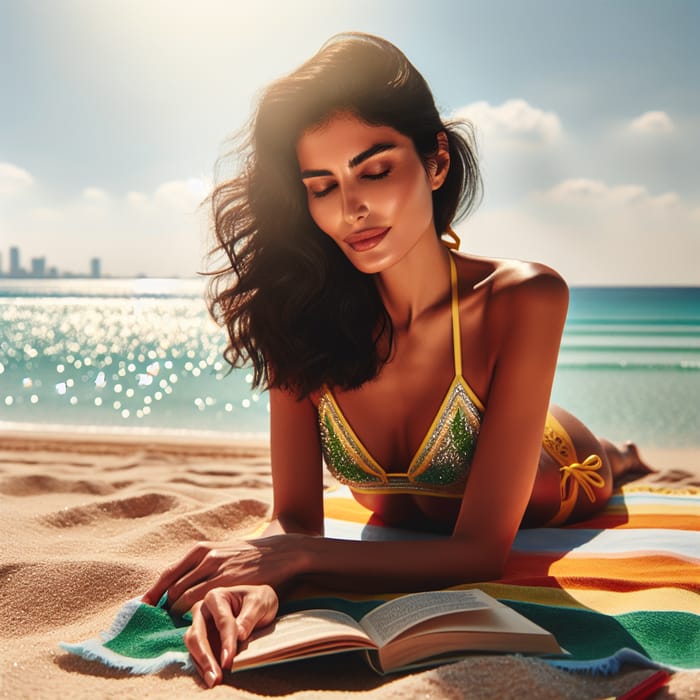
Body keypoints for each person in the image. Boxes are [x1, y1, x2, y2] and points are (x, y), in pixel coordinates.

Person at [142, 32, 650, 687]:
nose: (350, 209)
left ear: (436, 162)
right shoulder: (300, 313)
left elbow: (481, 552)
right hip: (418, 501)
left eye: (374, 171)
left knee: (611, 463)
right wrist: (265, 582)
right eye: (321, 186)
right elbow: (297, 518)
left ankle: (628, 454)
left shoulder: (523, 296)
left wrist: (291, 557)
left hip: (564, 470)